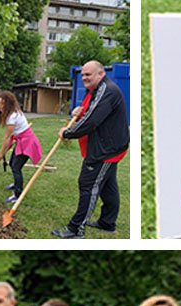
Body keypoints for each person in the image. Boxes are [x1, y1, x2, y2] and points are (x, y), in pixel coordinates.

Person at [53, 60, 129, 239]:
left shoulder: (107, 91)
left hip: (106, 150)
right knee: (108, 185)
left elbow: (92, 121)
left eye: (89, 74)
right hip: (112, 145)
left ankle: (75, 229)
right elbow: (91, 111)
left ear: (101, 74)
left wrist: (68, 133)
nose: (85, 78)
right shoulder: (96, 90)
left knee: (88, 184)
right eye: (83, 75)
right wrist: (79, 111)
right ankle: (107, 223)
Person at [0, 90, 43, 204]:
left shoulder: (12, 116)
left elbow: (7, 138)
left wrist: (1, 153)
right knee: (12, 163)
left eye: (3, 103)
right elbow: (11, 136)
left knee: (16, 167)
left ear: (9, 103)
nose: (0, 106)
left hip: (27, 143)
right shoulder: (13, 112)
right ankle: (16, 184)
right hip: (22, 141)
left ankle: (17, 193)